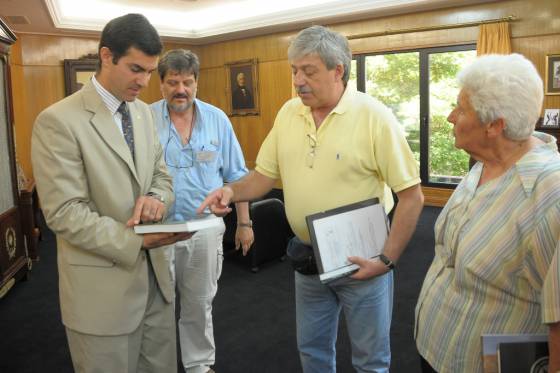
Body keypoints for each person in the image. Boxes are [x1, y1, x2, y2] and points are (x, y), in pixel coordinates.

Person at [199, 25, 424, 373]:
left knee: (371, 360)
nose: (298, 80)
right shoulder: (289, 113)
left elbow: (412, 196)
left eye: (309, 71)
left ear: (338, 70)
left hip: (363, 259)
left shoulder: (374, 116)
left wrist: (387, 260)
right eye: (294, 71)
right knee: (313, 352)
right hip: (307, 258)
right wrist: (231, 191)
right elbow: (263, 176)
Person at [31, 14, 190, 373]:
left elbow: (163, 179)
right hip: (102, 298)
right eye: (136, 69)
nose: (145, 82)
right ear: (106, 56)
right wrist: (137, 240)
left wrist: (156, 201)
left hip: (157, 287)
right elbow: (64, 213)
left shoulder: (144, 115)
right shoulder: (58, 121)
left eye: (150, 72)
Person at [414, 53, 560, 373]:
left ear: (494, 125)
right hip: (434, 350)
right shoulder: (485, 162)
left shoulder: (550, 194)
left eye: (461, 108)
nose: (451, 117)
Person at [151, 49, 254, 373]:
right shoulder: (142, 118)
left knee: (199, 303)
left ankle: (198, 365)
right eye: (172, 82)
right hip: (157, 231)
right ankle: (161, 365)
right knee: (158, 307)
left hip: (205, 228)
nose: (180, 89)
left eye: (187, 82)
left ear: (197, 82)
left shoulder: (217, 120)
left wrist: (245, 223)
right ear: (161, 84)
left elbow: (238, 176)